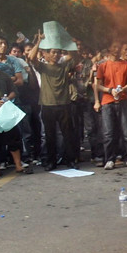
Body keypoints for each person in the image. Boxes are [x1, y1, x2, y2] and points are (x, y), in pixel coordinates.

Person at [27, 36, 80, 171]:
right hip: (47, 105)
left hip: (64, 104)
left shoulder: (64, 66)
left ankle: (71, 160)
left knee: (67, 134)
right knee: (50, 135)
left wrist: (66, 41)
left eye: (57, 52)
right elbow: (31, 57)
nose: (56, 55)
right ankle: (51, 161)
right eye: (53, 52)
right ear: (46, 54)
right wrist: (38, 41)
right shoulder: (42, 67)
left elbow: (73, 54)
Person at [95, 45, 127, 170]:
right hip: (107, 102)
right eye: (114, 50)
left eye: (118, 50)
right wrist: (110, 90)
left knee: (126, 132)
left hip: (122, 101)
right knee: (108, 133)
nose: (116, 52)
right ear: (109, 51)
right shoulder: (103, 66)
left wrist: (122, 89)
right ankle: (110, 159)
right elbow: (98, 85)